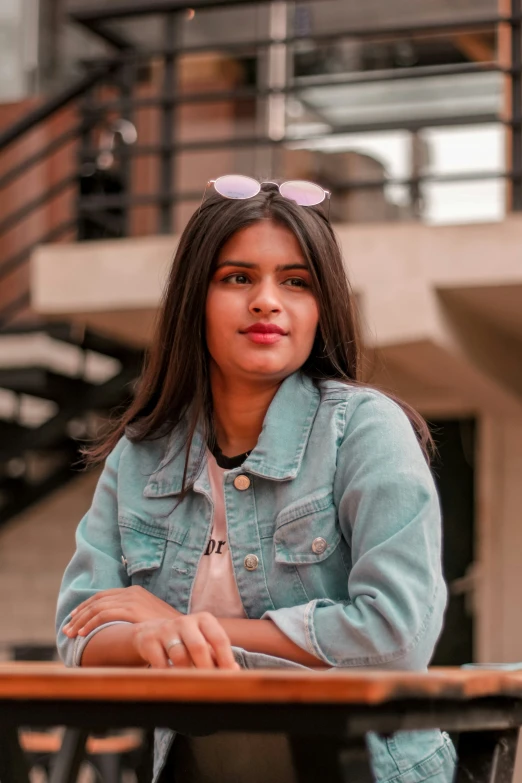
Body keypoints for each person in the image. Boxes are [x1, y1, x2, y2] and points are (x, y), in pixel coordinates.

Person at [56, 176, 457, 783]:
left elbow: (395, 637)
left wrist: (178, 631)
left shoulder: (365, 431)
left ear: (322, 308)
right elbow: (82, 628)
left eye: (296, 282)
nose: (267, 301)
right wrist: (143, 641)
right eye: (237, 277)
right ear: (197, 297)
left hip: (371, 770)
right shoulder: (141, 456)